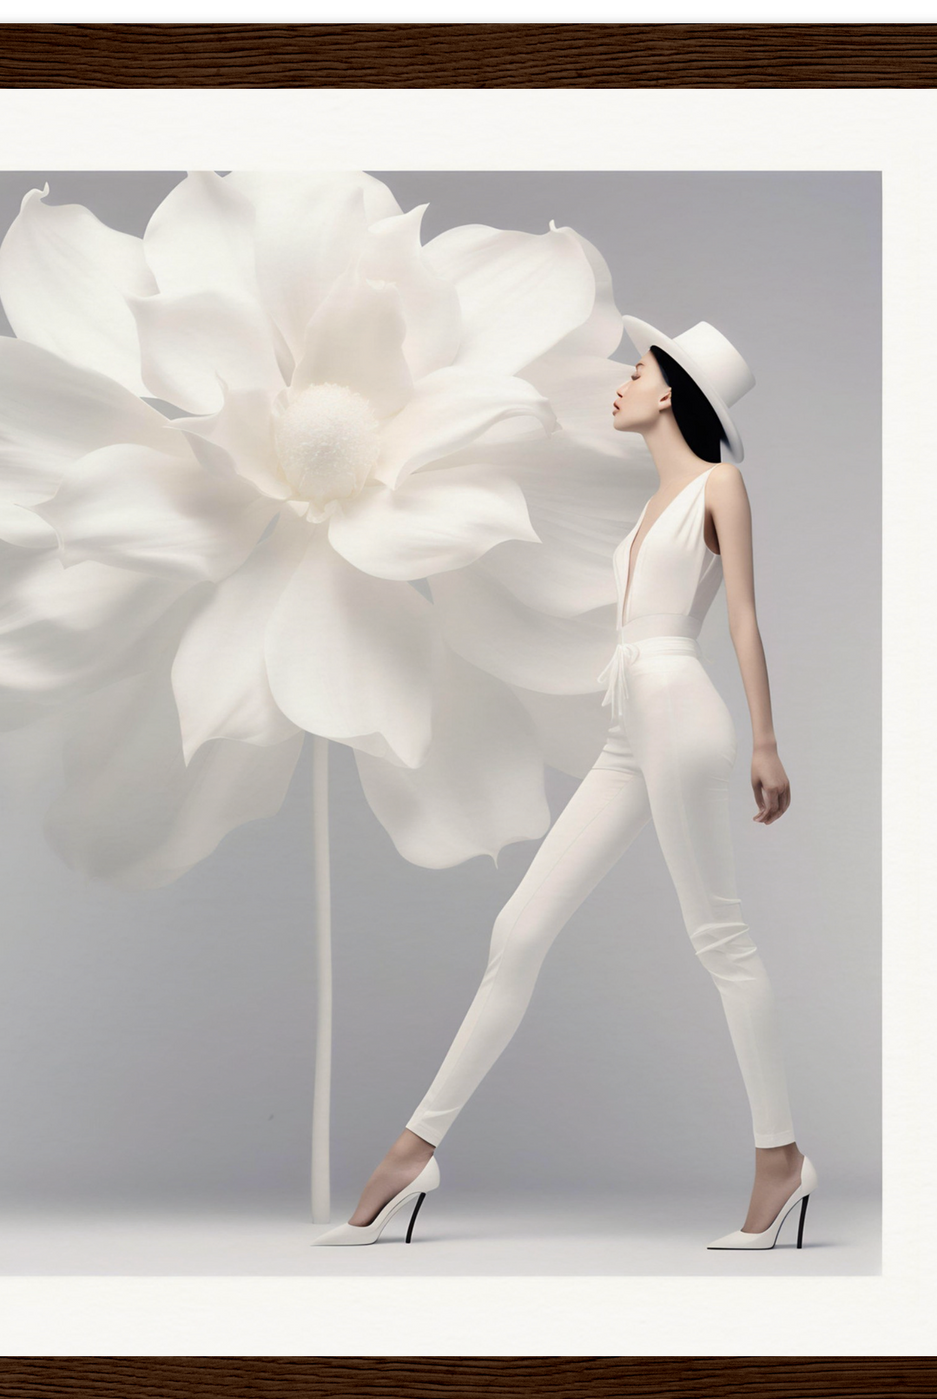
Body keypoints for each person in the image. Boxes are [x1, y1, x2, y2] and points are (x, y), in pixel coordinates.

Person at [312, 317, 817, 1250]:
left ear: (671, 393)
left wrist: (767, 740)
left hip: (679, 706)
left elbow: (742, 617)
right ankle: (417, 1147)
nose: (619, 385)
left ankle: (778, 1158)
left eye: (635, 372)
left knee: (718, 937)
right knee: (519, 928)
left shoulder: (720, 485)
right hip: (627, 718)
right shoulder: (646, 506)